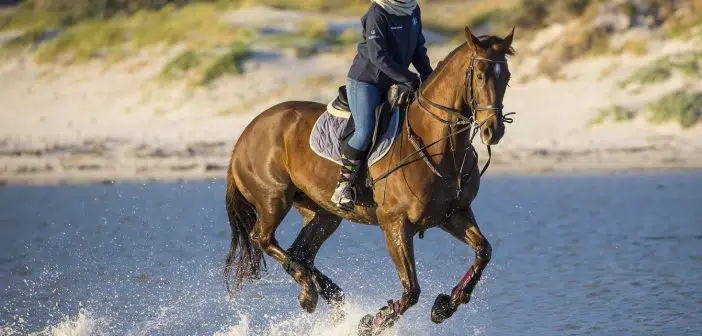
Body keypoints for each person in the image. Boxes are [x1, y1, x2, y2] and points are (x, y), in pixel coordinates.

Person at [331, 0, 433, 210]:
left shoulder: (413, 10)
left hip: (396, 80)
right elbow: (378, 56)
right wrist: (409, 78)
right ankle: (343, 187)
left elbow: (418, 50)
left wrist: (429, 77)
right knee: (365, 131)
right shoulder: (377, 13)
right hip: (366, 81)